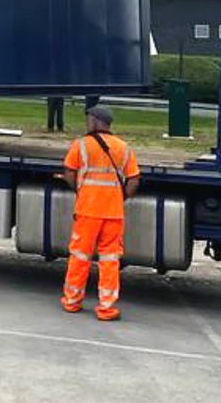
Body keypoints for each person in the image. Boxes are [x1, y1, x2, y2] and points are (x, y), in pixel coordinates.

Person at [60, 104, 140, 321]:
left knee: (79, 256)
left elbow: (69, 172)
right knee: (110, 260)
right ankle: (107, 308)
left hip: (87, 210)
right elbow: (133, 180)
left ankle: (72, 301)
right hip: (113, 213)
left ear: (95, 121)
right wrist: (119, 197)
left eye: (88, 119)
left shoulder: (81, 145)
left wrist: (81, 190)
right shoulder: (124, 148)